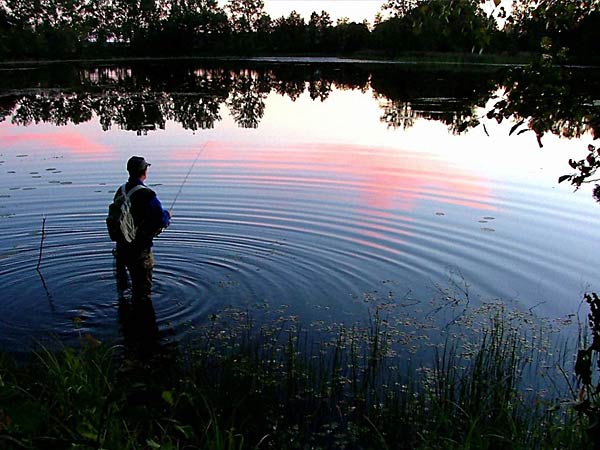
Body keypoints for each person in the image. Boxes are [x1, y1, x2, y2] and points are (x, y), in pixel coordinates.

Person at [109, 156, 171, 303]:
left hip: (122, 248)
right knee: (142, 294)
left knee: (123, 292)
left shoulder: (121, 190)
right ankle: (142, 321)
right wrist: (168, 215)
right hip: (140, 251)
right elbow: (160, 219)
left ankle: (125, 320)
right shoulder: (147, 194)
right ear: (145, 171)